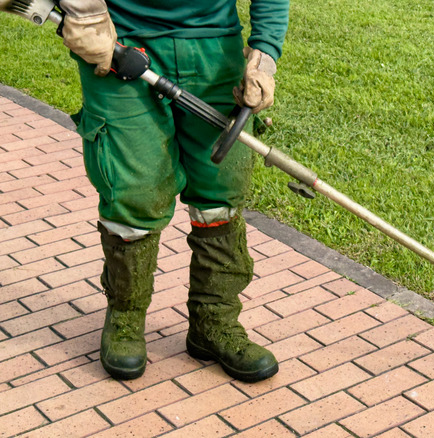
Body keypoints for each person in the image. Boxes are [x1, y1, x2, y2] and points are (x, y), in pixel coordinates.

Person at [59, 0, 290, 382]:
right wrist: (84, 14)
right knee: (134, 187)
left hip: (214, 48)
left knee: (220, 194)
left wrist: (264, 54)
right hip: (120, 43)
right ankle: (126, 318)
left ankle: (213, 323)